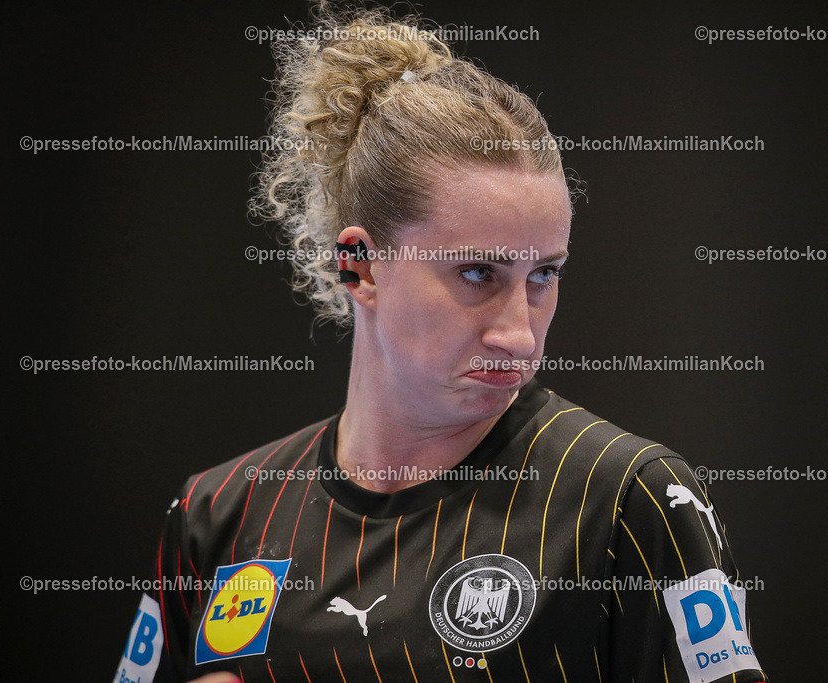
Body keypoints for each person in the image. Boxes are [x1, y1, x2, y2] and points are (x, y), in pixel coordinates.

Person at [114, 5, 768, 682]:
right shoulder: (218, 512)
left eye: (544, 275)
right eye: (478, 273)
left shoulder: (630, 498)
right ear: (361, 267)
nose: (518, 334)